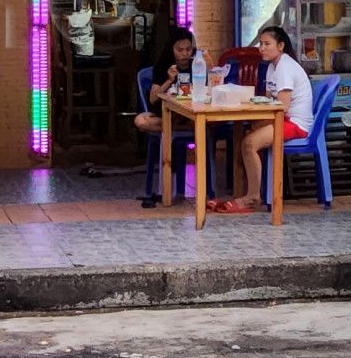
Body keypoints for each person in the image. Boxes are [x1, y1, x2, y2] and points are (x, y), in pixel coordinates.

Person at [215, 23, 313, 216]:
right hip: (281, 118)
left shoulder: (285, 66)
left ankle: (252, 196)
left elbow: (282, 106)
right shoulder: (271, 67)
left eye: (267, 44)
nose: (262, 48)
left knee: (249, 142)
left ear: (281, 46)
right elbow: (268, 99)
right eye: (261, 44)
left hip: (295, 124)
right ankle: (243, 190)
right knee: (248, 132)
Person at [134, 28, 201, 208]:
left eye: (188, 49)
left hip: (190, 115)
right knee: (140, 120)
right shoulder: (164, 66)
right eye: (180, 50)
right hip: (165, 116)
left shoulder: (198, 65)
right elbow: (154, 98)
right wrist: (169, 80)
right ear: (171, 49)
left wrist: (207, 69)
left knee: (208, 123)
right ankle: (183, 129)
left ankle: (184, 128)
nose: (185, 54)